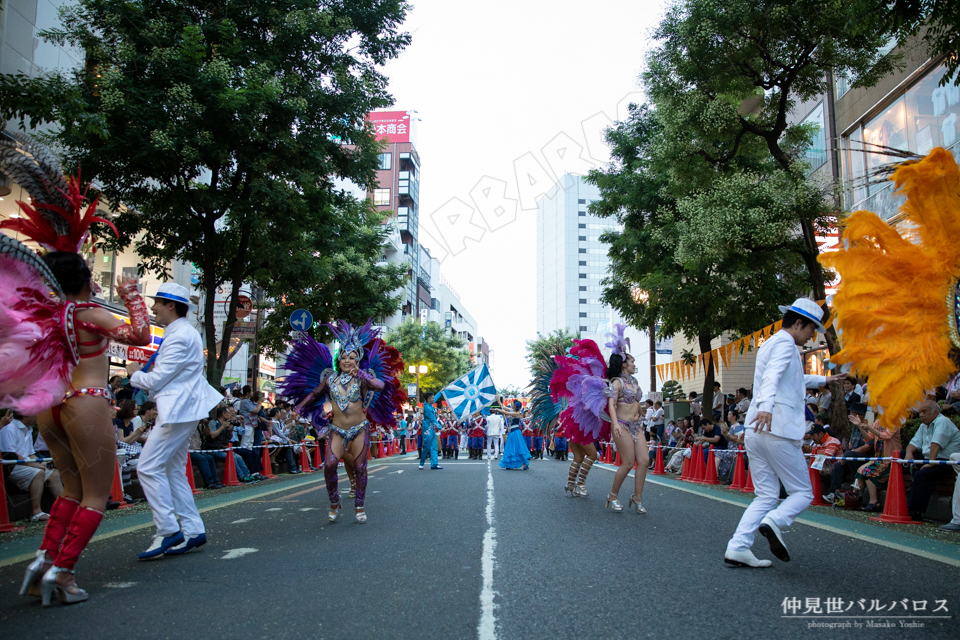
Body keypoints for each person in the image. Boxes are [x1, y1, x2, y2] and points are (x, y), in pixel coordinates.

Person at [0, 133, 156, 606]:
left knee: (68, 489)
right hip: (87, 405)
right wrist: (131, 296)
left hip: (51, 408)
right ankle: (64, 574)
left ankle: (43, 562)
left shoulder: (47, 315)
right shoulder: (87, 313)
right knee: (94, 497)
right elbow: (140, 337)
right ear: (85, 276)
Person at [725, 299, 844, 569]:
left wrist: (824, 380)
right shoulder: (786, 344)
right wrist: (767, 407)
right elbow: (774, 377)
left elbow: (790, 379)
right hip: (776, 428)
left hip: (756, 429)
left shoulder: (771, 343)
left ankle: (738, 546)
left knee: (765, 495)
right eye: (811, 329)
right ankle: (775, 522)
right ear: (799, 323)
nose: (812, 336)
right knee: (802, 492)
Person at [128, 283, 223, 558]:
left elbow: (158, 379)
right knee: (171, 470)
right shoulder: (182, 333)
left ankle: (168, 529)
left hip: (178, 410)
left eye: (156, 302)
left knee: (147, 467)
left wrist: (134, 373)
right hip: (183, 409)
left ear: (170, 304)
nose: (153, 307)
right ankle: (193, 530)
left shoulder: (180, 335)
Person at [281, 320, 405, 522]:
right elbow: (313, 394)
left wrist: (362, 373)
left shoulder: (363, 379)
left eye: (352, 358)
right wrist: (298, 409)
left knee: (360, 468)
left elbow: (381, 386)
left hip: (359, 430)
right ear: (339, 360)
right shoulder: (330, 380)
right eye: (344, 357)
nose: (347, 360)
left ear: (358, 360)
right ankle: (333, 500)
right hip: (337, 430)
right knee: (329, 465)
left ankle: (359, 506)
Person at [605, 346, 649, 514]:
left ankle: (637, 497)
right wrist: (615, 424)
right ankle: (613, 496)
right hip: (621, 425)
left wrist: (640, 414)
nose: (634, 364)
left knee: (644, 460)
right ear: (624, 364)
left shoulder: (635, 382)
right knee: (629, 462)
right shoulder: (618, 382)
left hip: (635, 426)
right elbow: (611, 403)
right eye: (631, 361)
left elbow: (636, 403)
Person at [0, 413, 63, 522]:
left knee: (54, 474)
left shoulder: (28, 428)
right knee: (38, 473)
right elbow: (10, 455)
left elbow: (31, 453)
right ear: (25, 415)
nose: (38, 416)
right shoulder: (9, 428)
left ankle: (65, 507)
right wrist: (34, 464)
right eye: (34, 413)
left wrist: (41, 463)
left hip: (25, 464)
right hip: (12, 467)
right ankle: (36, 512)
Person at [904, 400, 960, 522]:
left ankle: (916, 511)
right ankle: (910, 487)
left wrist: (931, 462)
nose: (921, 415)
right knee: (903, 455)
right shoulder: (923, 425)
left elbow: (936, 443)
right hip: (929, 458)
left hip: (946, 461)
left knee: (923, 475)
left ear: (935, 412)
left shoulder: (942, 421)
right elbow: (913, 443)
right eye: (920, 412)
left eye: (924, 412)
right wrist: (909, 453)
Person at [495, 400, 531, 470]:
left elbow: (505, 412)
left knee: (518, 447)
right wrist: (498, 399)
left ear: (515, 406)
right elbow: (503, 407)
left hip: (516, 432)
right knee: (510, 447)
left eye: (513, 404)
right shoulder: (512, 410)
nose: (512, 404)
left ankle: (525, 464)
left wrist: (497, 409)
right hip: (511, 432)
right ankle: (509, 464)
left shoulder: (517, 413)